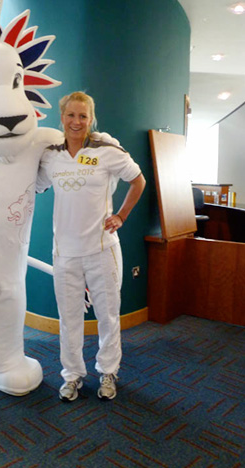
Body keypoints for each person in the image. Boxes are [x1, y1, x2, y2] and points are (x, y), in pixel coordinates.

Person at [37, 91, 146, 402]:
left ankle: (108, 371)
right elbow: (34, 185)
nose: (76, 122)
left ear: (91, 119)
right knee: (69, 318)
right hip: (65, 253)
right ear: (62, 117)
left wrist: (121, 215)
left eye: (83, 116)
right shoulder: (51, 155)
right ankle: (72, 376)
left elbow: (138, 180)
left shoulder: (106, 150)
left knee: (108, 315)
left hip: (101, 249)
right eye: (71, 115)